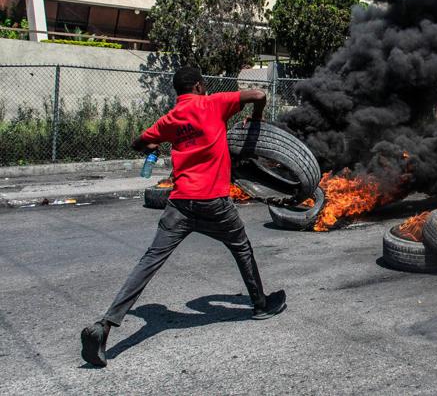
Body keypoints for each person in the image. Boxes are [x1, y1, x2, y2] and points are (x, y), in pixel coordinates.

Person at [80, 67, 285, 368]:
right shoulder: (213, 103)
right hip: (214, 202)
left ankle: (105, 325)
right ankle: (260, 304)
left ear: (178, 91)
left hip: (180, 204)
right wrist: (256, 119)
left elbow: (139, 142)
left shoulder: (169, 119)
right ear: (200, 86)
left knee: (149, 261)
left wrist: (155, 144)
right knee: (241, 248)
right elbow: (259, 94)